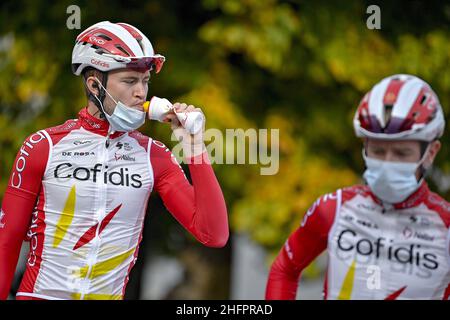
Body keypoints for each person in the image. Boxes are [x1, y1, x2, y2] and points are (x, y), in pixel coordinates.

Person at [0, 21, 229, 300]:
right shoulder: (42, 146)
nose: (141, 93)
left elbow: (214, 234)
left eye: (145, 81)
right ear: (95, 84)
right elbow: (7, 244)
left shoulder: (154, 156)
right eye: (130, 81)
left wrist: (194, 146)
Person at [266, 74, 450, 300]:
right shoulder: (334, 208)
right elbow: (285, 269)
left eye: (402, 153)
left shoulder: (446, 225)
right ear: (365, 146)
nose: (387, 162)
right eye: (378, 151)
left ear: (430, 153)